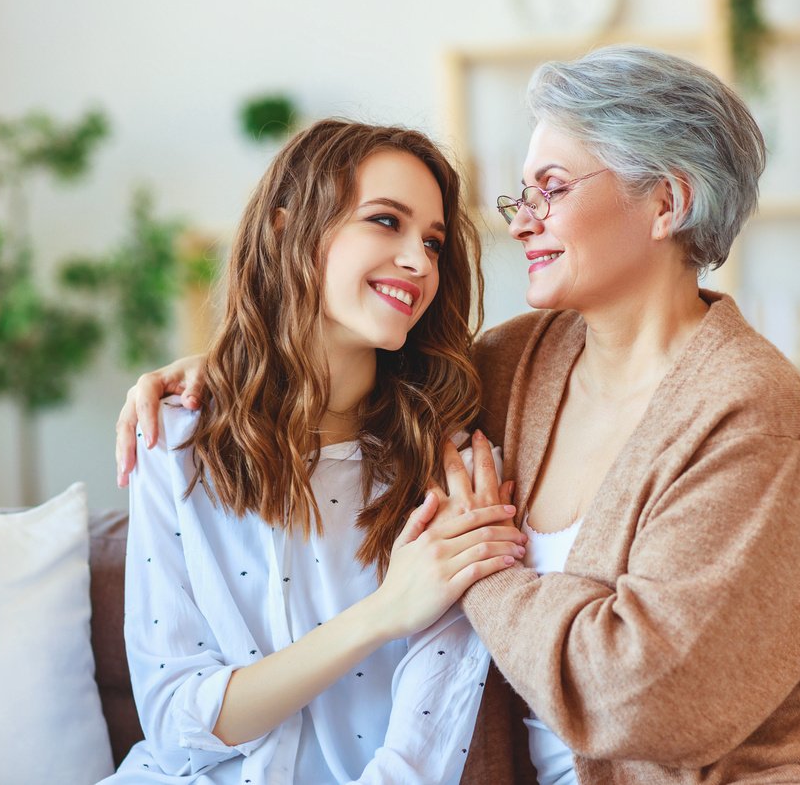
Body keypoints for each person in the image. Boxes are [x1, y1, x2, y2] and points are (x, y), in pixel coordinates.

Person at [115, 47, 800, 783]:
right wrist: (211, 377)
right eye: (520, 192)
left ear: (666, 202)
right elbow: (350, 360)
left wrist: (486, 574)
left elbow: (653, 700)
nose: (520, 219)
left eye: (551, 187)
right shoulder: (511, 366)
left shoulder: (745, 402)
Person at [104, 118, 527, 785]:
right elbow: (178, 727)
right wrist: (384, 612)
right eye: (385, 221)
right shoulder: (175, 440)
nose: (419, 261)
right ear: (284, 229)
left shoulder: (452, 471)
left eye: (434, 241)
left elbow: (422, 758)